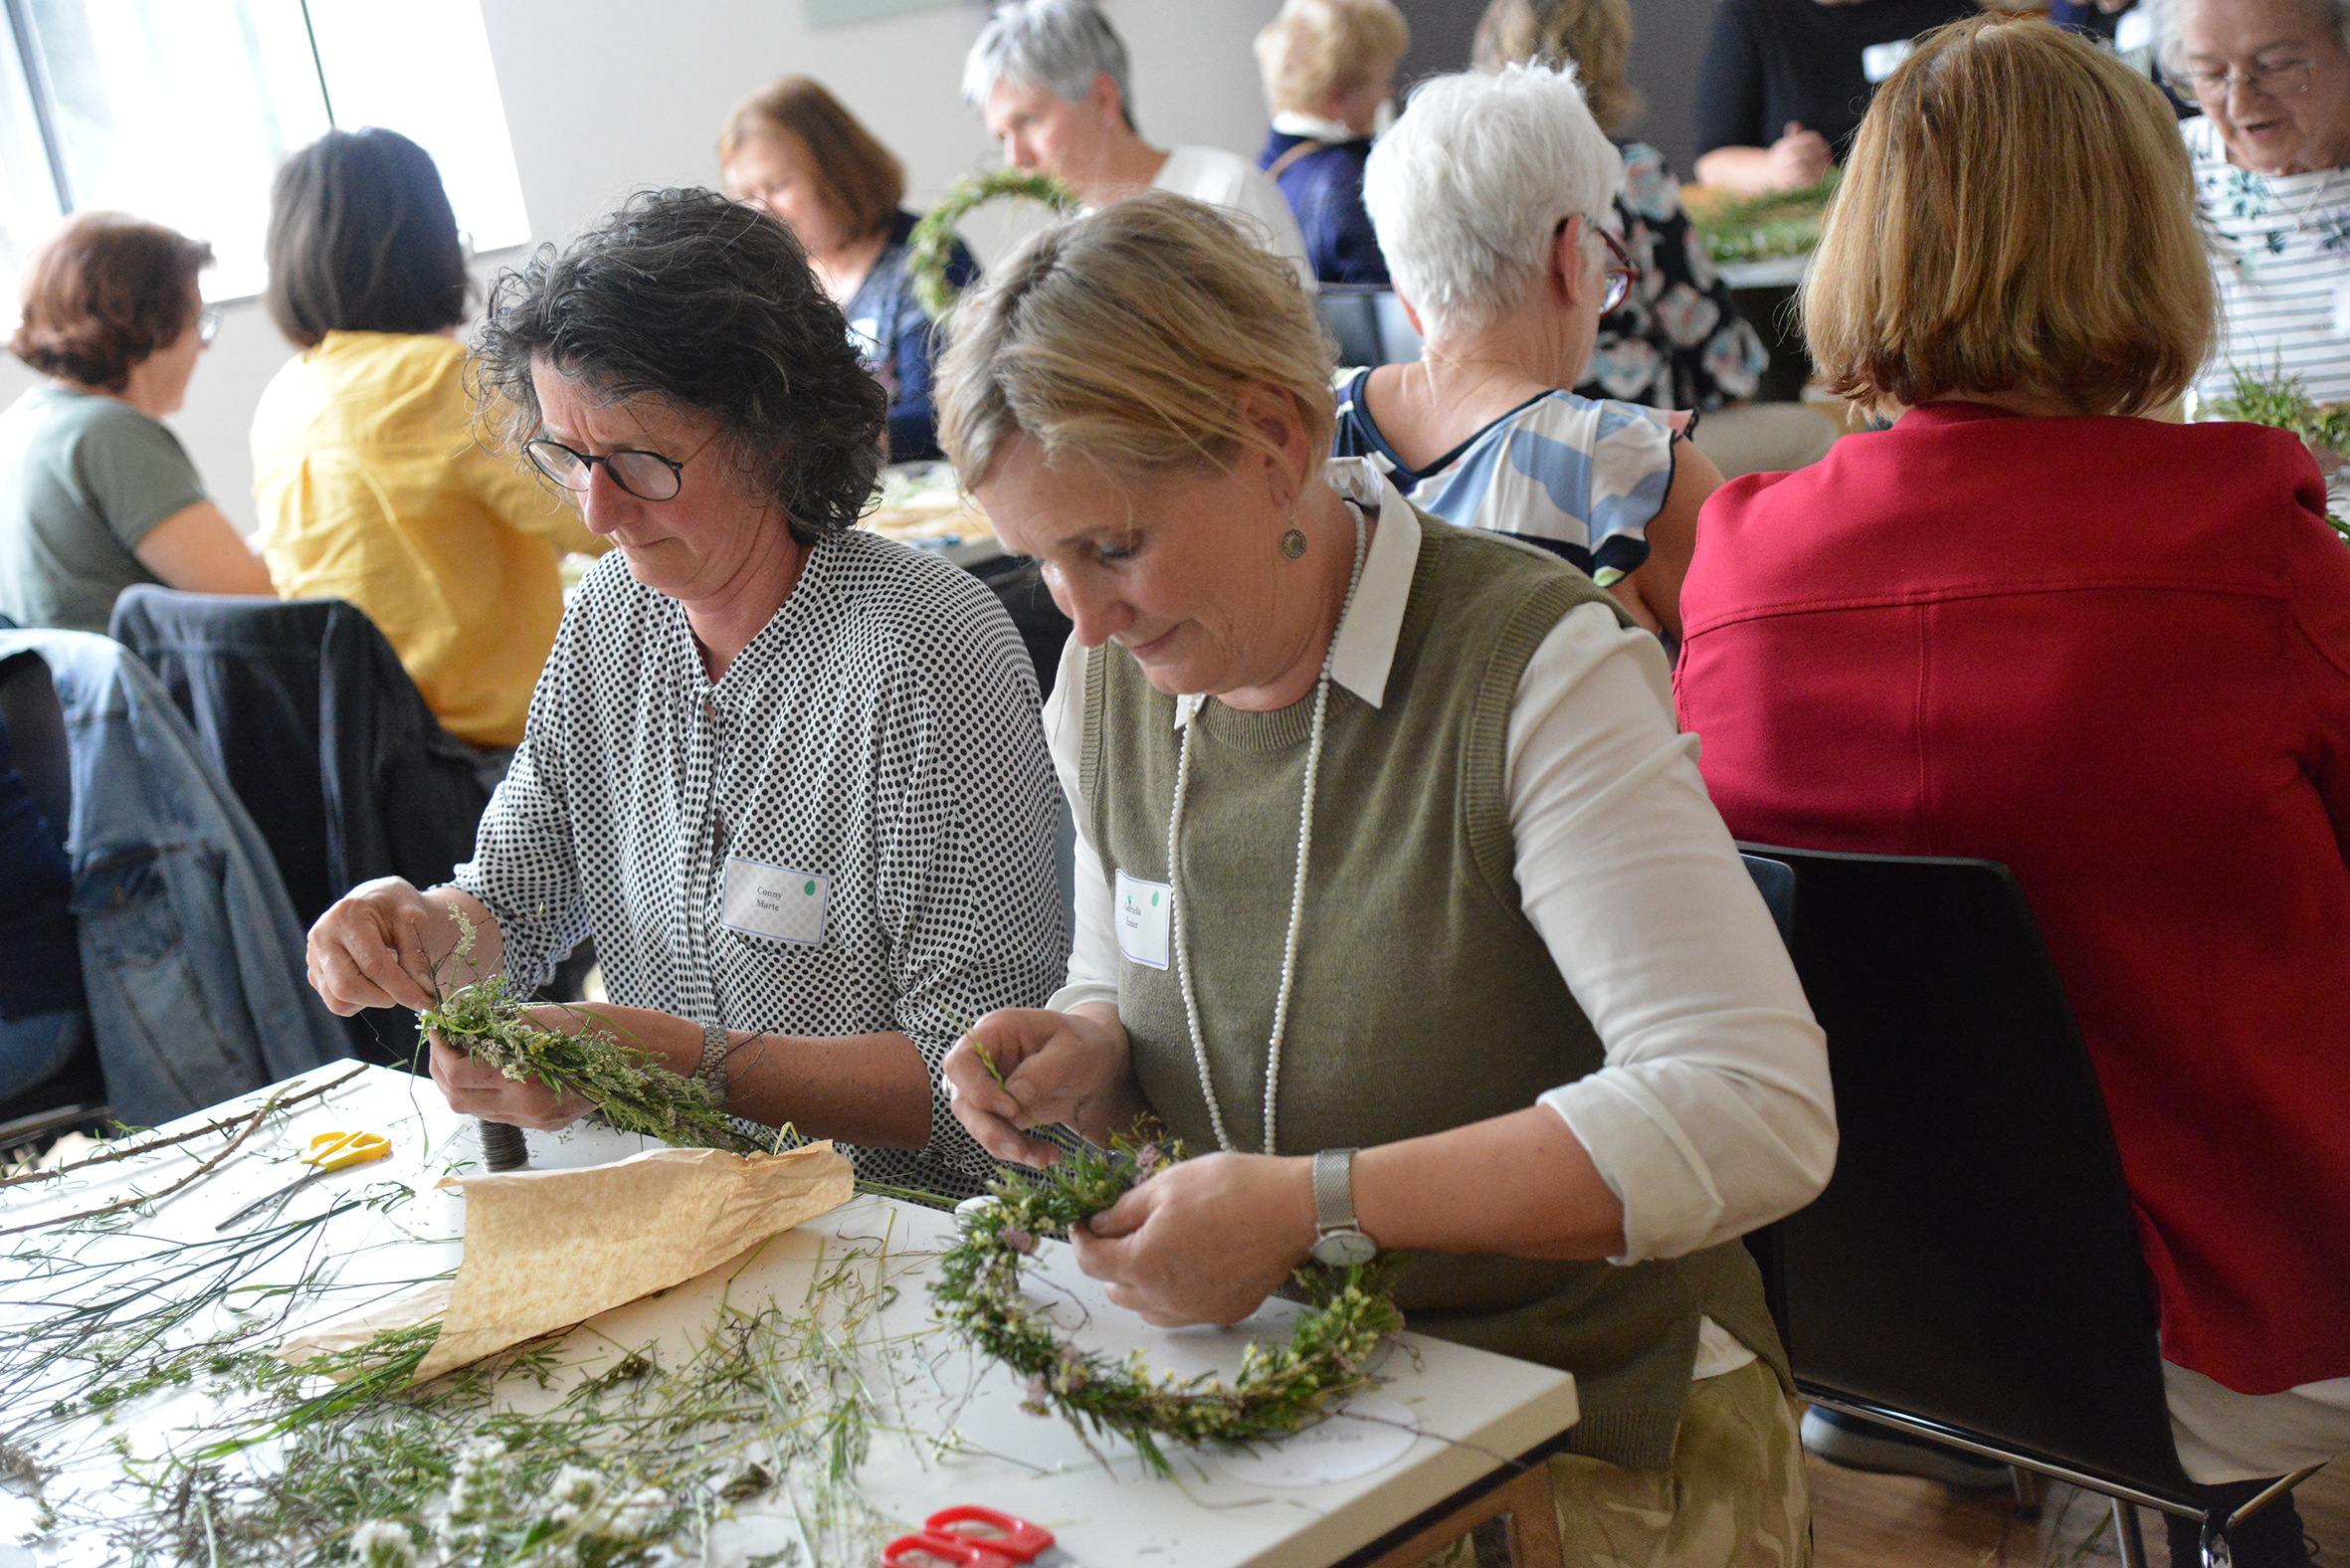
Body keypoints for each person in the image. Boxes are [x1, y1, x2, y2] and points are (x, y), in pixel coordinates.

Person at [935, 191, 1834, 1567]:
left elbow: (1751, 1112)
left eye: (1111, 547)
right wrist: (1091, 1049)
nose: (1084, 619)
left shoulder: (1532, 666)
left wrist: (1310, 1205)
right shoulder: (1105, 684)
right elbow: (1122, 966)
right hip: (1283, 1393)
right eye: (1038, 561)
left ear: (1272, 442)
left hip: (1580, 1420)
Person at [1673, 19, 2350, 1563]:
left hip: (1862, 1308)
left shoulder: (1740, 565)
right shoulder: (2249, 555)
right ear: (2145, 238)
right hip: (2228, 1322)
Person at [304, 190, 1066, 1199]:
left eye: (639, 463)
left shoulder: (923, 650)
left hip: (908, 1231)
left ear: (774, 429)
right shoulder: (613, 615)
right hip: (701, 1213)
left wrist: (671, 1060)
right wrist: (414, 931)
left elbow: (985, 1082)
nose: (597, 508)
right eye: (569, 458)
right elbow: (514, 901)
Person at [251, 128, 604, 761]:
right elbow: (607, 520)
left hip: (375, 756)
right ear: (430, 244)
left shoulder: (284, 396)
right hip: (502, 754)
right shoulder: (436, 380)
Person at [1332, 64, 1719, 641]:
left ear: (1408, 288)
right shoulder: (1635, 469)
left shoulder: (1304, 431)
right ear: (1569, 256)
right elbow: (1756, 688)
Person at [1472, 0, 1837, 481]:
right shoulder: (1629, 173)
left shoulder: (1473, 174)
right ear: (1604, 52)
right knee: (1817, 436)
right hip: (1628, 445)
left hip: (1509, 446)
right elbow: (1722, 362)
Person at [0, 213, 272, 634]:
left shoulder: (19, 427)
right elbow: (255, 600)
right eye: (197, 322)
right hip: (149, 695)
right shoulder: (108, 435)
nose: (204, 347)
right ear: (149, 322)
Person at [963, 0, 1316, 292]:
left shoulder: (1225, 189)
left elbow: (1298, 345)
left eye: (1028, 121)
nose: (1015, 158)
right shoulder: (1068, 248)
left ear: (1102, 99)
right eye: (1001, 137)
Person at [718, 77, 979, 463]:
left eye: (777, 185)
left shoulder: (927, 257)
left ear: (837, 171)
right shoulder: (765, 284)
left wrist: (811, 451)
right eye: (745, 196)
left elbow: (944, 416)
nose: (761, 212)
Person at [2144, 0, 2350, 418]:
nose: (2240, 105)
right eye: (2210, 74)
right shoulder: (2169, 170)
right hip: (2237, 477)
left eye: (2276, 65)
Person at [1691, 0, 1985, 195]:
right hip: (1811, 235)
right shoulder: (1751, 13)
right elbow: (1714, 161)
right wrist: (1778, 170)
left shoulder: (1947, 6)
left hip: (1937, 207)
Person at [1252, 0, 1409, 287]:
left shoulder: (1261, 173)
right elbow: (1386, 313)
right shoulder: (1348, 183)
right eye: (1382, 80)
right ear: (1337, 99)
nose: (1386, 94)